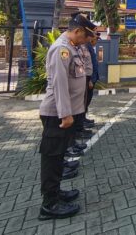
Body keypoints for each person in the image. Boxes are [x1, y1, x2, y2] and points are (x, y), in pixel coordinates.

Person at [37, 13, 96, 220]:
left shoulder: (72, 47)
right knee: (52, 158)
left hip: (66, 112)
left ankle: (56, 192)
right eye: (86, 36)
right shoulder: (62, 49)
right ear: (78, 31)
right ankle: (49, 205)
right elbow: (60, 84)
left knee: (59, 156)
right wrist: (66, 114)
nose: (87, 41)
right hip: (57, 114)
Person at [84, 33, 99, 127]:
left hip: (92, 78)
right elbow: (85, 65)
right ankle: (81, 121)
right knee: (84, 101)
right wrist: (89, 80)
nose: (96, 42)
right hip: (88, 79)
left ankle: (83, 118)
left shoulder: (90, 47)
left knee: (87, 100)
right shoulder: (86, 47)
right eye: (96, 40)